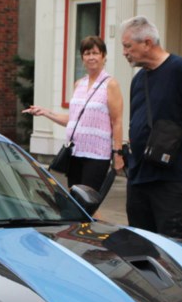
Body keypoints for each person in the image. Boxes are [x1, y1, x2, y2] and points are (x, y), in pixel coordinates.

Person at [120, 16, 182, 243]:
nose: (124, 52)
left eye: (127, 46)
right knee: (139, 243)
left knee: (172, 245)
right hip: (139, 178)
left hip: (171, 178)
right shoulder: (139, 78)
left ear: (147, 43)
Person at [24, 36, 124, 191]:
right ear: (82, 58)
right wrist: (45, 112)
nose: (91, 57)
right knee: (76, 202)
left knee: (87, 201)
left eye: (95, 53)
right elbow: (73, 120)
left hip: (96, 156)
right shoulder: (79, 84)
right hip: (75, 153)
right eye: (87, 53)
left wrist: (118, 154)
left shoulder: (110, 84)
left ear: (104, 56)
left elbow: (117, 121)